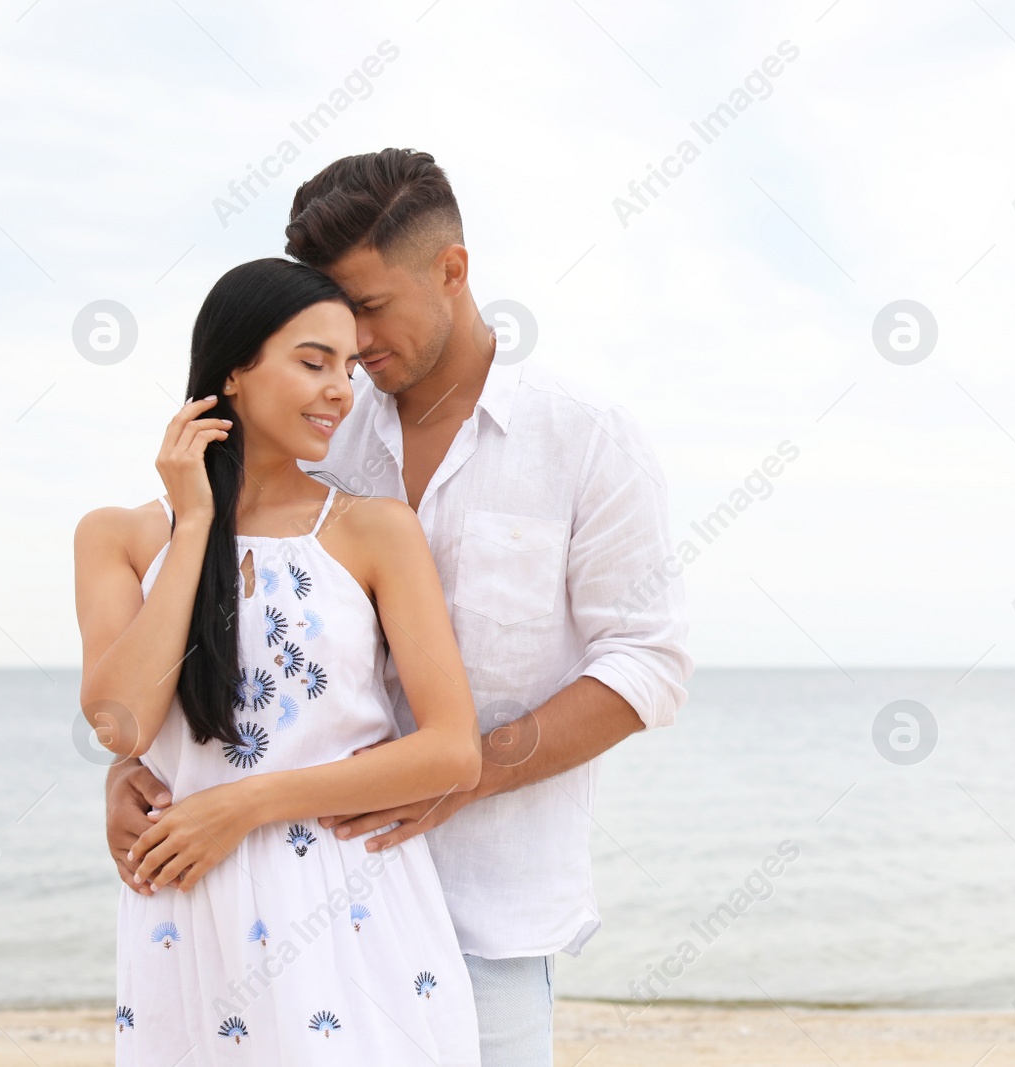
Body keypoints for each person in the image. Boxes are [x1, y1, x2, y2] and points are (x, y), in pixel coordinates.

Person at [106, 149, 692, 1065]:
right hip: (289, 903)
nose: (353, 344)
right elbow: (231, 635)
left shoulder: (581, 436)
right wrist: (138, 772)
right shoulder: (323, 442)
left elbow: (646, 664)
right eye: (330, 321)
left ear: (452, 270)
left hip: (490, 904)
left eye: (369, 309)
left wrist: (462, 774)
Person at [77, 258, 483, 1064]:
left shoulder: (375, 530)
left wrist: (247, 803)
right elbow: (121, 723)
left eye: (349, 366)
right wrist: (196, 523)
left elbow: (452, 750)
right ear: (233, 372)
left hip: (352, 911)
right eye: (312, 361)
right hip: (190, 916)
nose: (342, 388)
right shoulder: (117, 536)